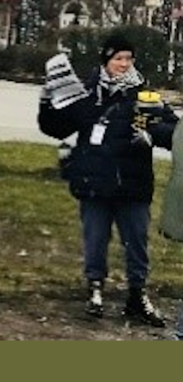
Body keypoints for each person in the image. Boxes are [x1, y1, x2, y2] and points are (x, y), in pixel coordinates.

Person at [38, 33, 178, 327]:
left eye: (129, 59)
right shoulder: (87, 94)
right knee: (95, 240)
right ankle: (95, 289)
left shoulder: (144, 96)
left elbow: (174, 133)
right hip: (94, 183)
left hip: (133, 185)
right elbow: (57, 127)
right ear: (106, 61)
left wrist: (152, 133)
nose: (124, 65)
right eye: (118, 59)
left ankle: (137, 295)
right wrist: (47, 101)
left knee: (137, 242)